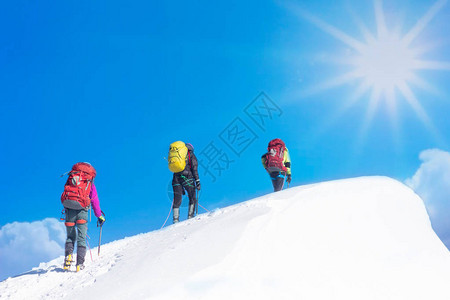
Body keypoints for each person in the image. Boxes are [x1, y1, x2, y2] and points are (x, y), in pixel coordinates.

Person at [60, 162, 105, 272]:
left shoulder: (72, 179)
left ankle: (68, 258)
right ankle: (80, 264)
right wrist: (99, 216)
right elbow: (94, 201)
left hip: (69, 209)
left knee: (70, 236)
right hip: (82, 211)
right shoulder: (89, 183)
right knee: (81, 237)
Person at [168, 141, 201, 223]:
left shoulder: (180, 155)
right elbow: (194, 169)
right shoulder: (191, 155)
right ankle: (190, 216)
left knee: (177, 199)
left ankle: (175, 220)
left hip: (176, 178)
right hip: (187, 177)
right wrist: (197, 181)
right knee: (192, 196)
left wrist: (182, 188)